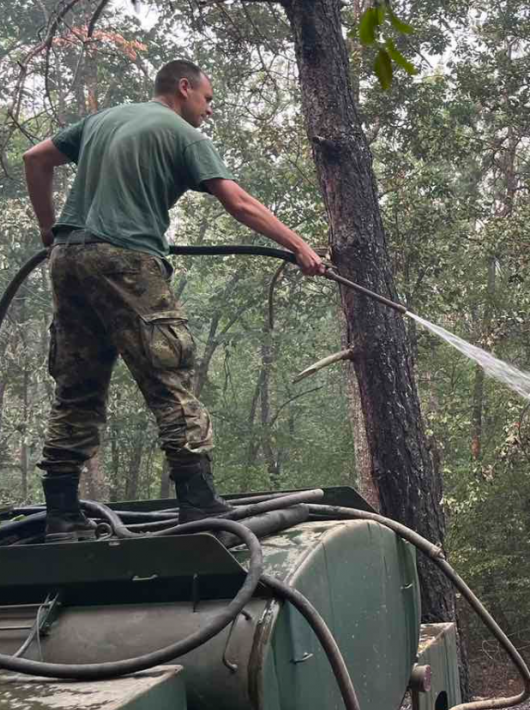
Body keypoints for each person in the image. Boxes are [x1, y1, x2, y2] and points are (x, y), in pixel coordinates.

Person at [22, 59, 325, 542]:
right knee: (169, 377)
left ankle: (61, 516)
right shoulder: (183, 134)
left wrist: (48, 228)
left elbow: (34, 159)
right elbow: (239, 203)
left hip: (68, 258)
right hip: (127, 261)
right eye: (207, 99)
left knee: (77, 388)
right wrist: (300, 247)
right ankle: (198, 504)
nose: (208, 111)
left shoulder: (103, 119)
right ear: (184, 88)